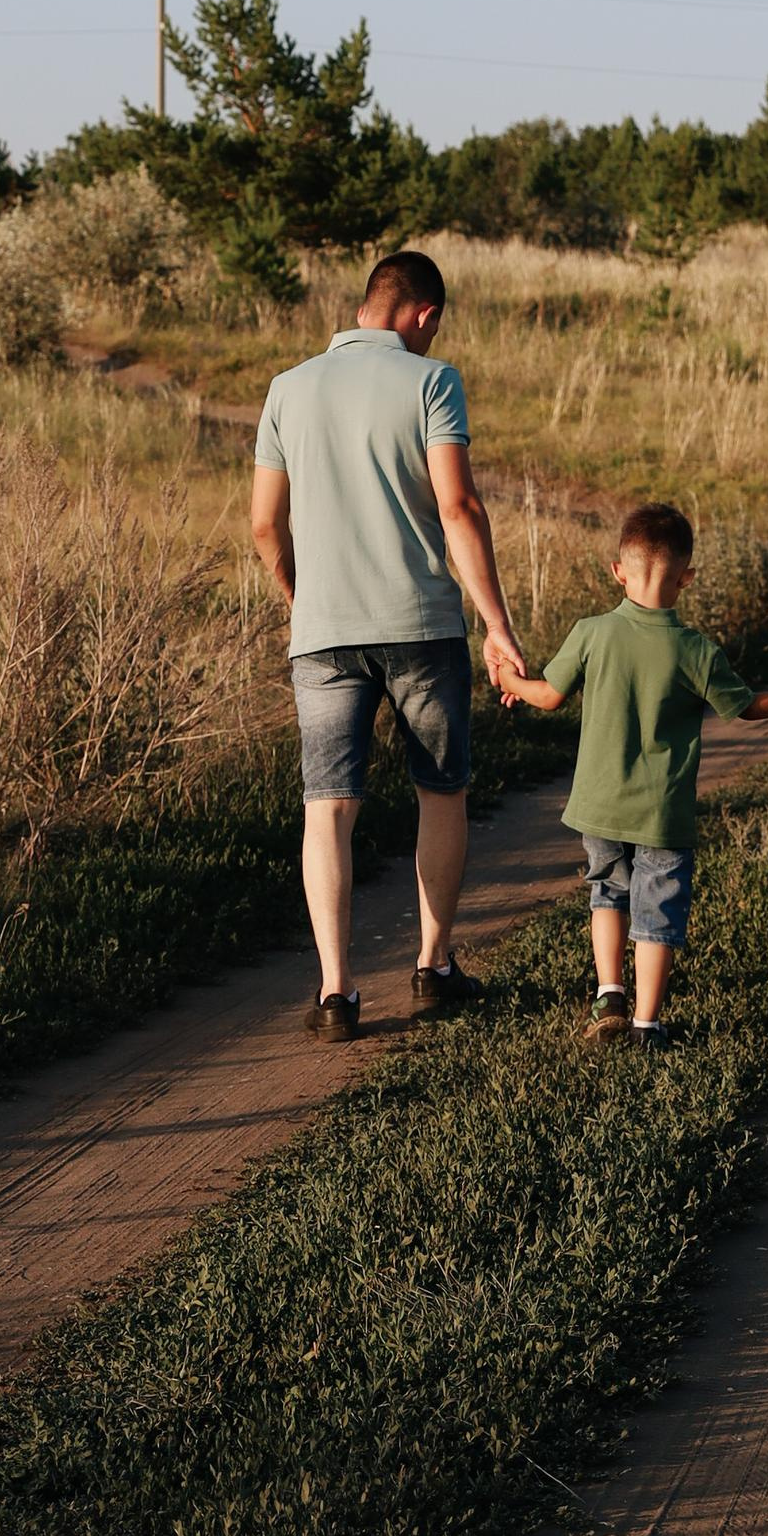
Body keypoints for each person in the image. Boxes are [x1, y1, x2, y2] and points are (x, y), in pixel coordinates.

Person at [251, 247, 528, 1042]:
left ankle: (336, 993)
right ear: (424, 316)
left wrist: (300, 596)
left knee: (327, 809)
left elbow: (266, 525)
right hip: (421, 626)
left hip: (324, 634)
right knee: (440, 792)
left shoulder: (288, 388)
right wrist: (499, 628)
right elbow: (460, 509)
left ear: (368, 302)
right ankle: (434, 967)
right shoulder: (430, 380)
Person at [501, 497, 768, 1053]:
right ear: (687, 578)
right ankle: (647, 1027)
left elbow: (550, 696)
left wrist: (513, 678)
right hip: (662, 813)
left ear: (618, 570)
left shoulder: (591, 632)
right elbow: (747, 708)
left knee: (606, 890)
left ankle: (609, 997)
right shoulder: (695, 650)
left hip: (599, 805)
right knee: (658, 911)